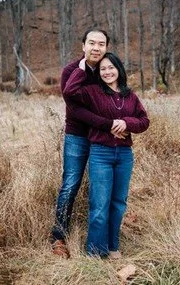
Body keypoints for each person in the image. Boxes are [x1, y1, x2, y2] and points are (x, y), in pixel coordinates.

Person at [62, 51, 150, 258]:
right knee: (99, 204)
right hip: (101, 153)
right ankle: (95, 251)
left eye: (111, 67)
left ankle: (112, 247)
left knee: (118, 203)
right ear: (98, 73)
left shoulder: (131, 96)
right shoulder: (92, 92)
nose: (107, 72)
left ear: (119, 70)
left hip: (124, 155)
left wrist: (127, 123)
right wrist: (82, 67)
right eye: (103, 69)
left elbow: (144, 121)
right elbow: (69, 92)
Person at [50, 27, 123, 258]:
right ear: (83, 46)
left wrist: (120, 123)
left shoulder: (107, 70)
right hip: (78, 137)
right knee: (71, 184)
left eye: (101, 44)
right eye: (92, 43)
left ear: (106, 47)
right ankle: (59, 236)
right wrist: (108, 123)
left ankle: (103, 240)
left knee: (102, 189)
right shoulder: (71, 70)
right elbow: (75, 109)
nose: (96, 48)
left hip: (103, 140)